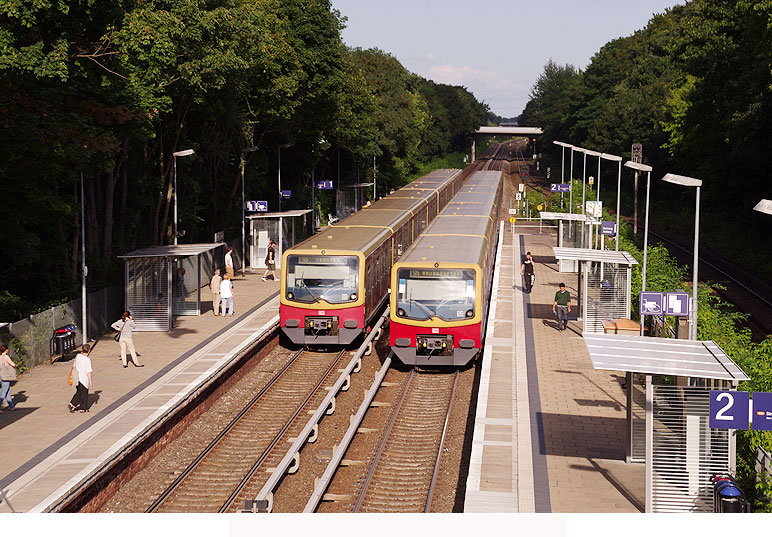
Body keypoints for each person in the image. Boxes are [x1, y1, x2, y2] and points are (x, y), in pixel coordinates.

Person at [68, 343, 93, 413]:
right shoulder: (87, 360)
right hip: (83, 379)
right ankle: (83, 408)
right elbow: (89, 372)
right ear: (89, 350)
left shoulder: (78, 356)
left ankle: (72, 404)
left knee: (79, 392)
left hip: (77, 378)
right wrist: (90, 381)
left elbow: (74, 365)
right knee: (84, 394)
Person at [0, 344, 17, 410]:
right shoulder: (6, 357)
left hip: (1, 376)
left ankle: (12, 406)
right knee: (3, 393)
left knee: (7, 392)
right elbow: (13, 364)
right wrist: (15, 366)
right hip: (6, 376)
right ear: (6, 350)